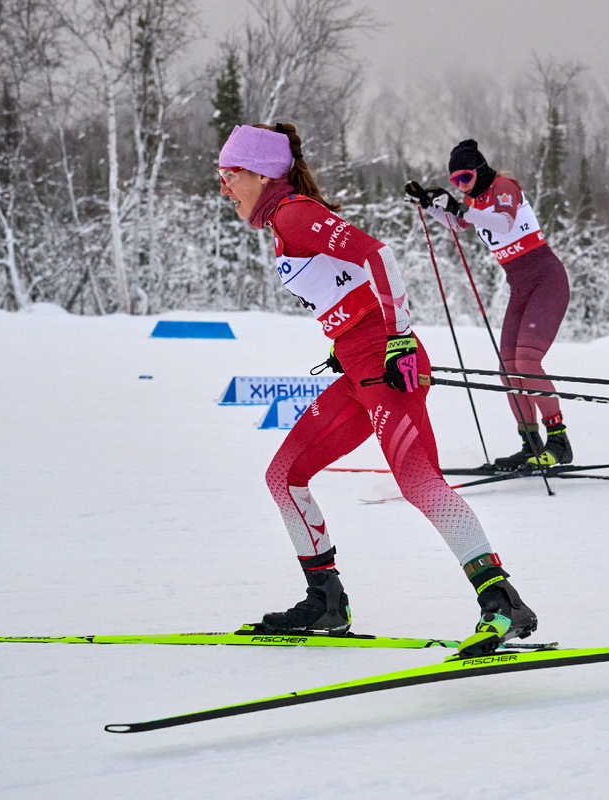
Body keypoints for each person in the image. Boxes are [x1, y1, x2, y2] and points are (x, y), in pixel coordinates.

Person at [217, 122, 536, 658]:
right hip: (359, 370)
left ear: (258, 172)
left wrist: (399, 339)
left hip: (389, 367)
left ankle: (501, 602)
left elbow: (378, 256)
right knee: (284, 476)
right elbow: (349, 285)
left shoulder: (294, 212)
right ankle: (325, 601)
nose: (223, 187)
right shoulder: (280, 220)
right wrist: (351, 338)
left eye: (228, 175)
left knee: (419, 483)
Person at [406, 139, 573, 470]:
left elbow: (503, 223)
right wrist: (429, 205)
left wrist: (460, 206)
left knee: (527, 361)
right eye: (455, 181)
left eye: (464, 177)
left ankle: (559, 443)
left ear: (479, 169)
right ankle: (531, 444)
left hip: (547, 282)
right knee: (507, 367)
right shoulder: (474, 199)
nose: (461, 185)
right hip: (520, 287)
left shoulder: (503, 186)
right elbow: (459, 223)